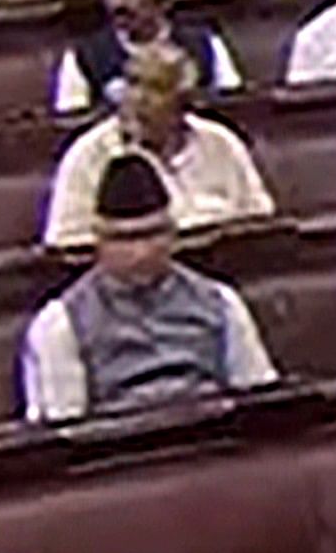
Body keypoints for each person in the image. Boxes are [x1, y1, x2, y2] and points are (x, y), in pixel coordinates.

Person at [18, 156, 278, 420]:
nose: (141, 252)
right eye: (124, 239)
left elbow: (259, 402)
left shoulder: (221, 303)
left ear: (173, 235)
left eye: (153, 234)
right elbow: (66, 431)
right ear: (98, 241)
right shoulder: (62, 325)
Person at [40, 46, 275, 249]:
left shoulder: (222, 144)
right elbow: (66, 242)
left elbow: (260, 223)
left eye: (155, 89)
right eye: (132, 85)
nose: (138, 99)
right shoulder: (89, 155)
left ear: (183, 100)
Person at [50, 0, 244, 117]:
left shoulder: (204, 44)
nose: (118, 4)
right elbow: (70, 125)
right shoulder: (85, 57)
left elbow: (234, 107)